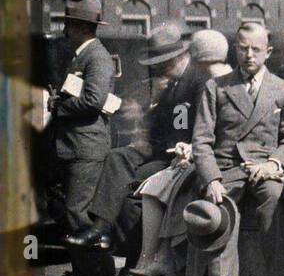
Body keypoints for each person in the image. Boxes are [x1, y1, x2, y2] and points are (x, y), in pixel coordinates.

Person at [190, 21, 284, 276]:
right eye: (243, 48)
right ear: (234, 49)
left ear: (268, 51)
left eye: (256, 49)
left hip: (264, 170)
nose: (249, 55)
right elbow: (202, 140)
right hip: (227, 172)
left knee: (274, 198)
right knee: (222, 220)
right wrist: (210, 177)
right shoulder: (217, 87)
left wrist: (273, 164)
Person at [112, 30, 232, 276]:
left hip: (199, 160)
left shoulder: (203, 82)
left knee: (145, 190)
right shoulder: (177, 85)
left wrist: (192, 147)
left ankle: (146, 264)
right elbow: (163, 128)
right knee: (137, 184)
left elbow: (216, 128)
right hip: (182, 156)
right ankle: (141, 263)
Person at [67, 23, 195, 260]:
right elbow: (158, 126)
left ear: (179, 57)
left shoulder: (196, 82)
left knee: (130, 192)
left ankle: (135, 260)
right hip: (162, 149)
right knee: (118, 156)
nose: (160, 69)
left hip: (184, 155)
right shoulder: (171, 83)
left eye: (164, 63)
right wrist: (150, 109)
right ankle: (101, 229)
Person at [45, 0, 117, 276]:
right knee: (75, 210)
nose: (64, 31)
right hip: (78, 146)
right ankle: (93, 274)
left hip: (86, 148)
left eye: (68, 25)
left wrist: (57, 107)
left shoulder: (95, 57)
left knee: (79, 212)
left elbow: (93, 100)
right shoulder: (84, 56)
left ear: (77, 27)